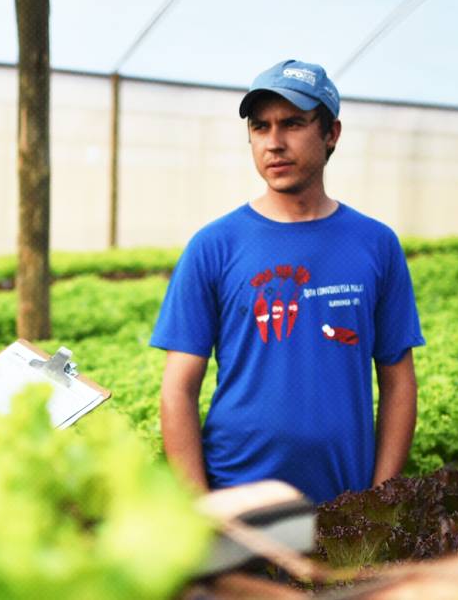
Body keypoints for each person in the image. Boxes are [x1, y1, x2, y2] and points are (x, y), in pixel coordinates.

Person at [151, 59, 423, 504]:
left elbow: (398, 380)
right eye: (260, 128)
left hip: (344, 501)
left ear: (331, 133)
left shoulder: (376, 244)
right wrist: (199, 507)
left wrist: (379, 498)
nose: (273, 143)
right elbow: (178, 387)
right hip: (237, 495)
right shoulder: (214, 246)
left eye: (292, 124)